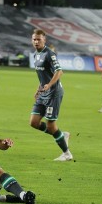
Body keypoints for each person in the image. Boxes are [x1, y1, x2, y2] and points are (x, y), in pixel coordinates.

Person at [30, 29, 73, 161]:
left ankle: (67, 153)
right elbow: (43, 76)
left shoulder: (49, 53)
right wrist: (39, 88)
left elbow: (59, 71)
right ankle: (61, 135)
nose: (36, 42)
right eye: (34, 39)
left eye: (39, 39)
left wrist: (49, 85)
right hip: (44, 93)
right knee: (34, 122)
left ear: (44, 40)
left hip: (54, 93)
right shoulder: (35, 55)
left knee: (50, 125)